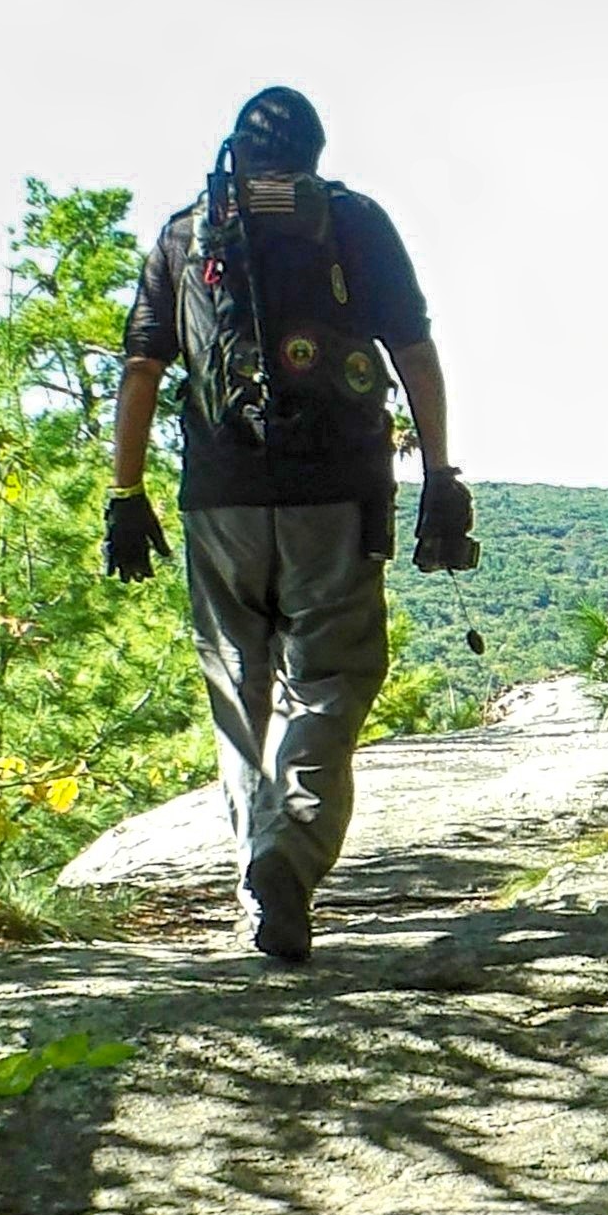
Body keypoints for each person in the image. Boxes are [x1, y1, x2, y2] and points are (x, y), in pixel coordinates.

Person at [103, 87, 477, 963]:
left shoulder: (184, 233)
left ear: (235, 150)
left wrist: (126, 494)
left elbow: (142, 365)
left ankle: (255, 877)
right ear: (314, 152)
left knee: (238, 689)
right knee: (330, 681)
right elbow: (411, 350)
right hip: (335, 495)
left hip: (220, 497)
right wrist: (439, 472)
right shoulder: (353, 221)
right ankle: (288, 857)